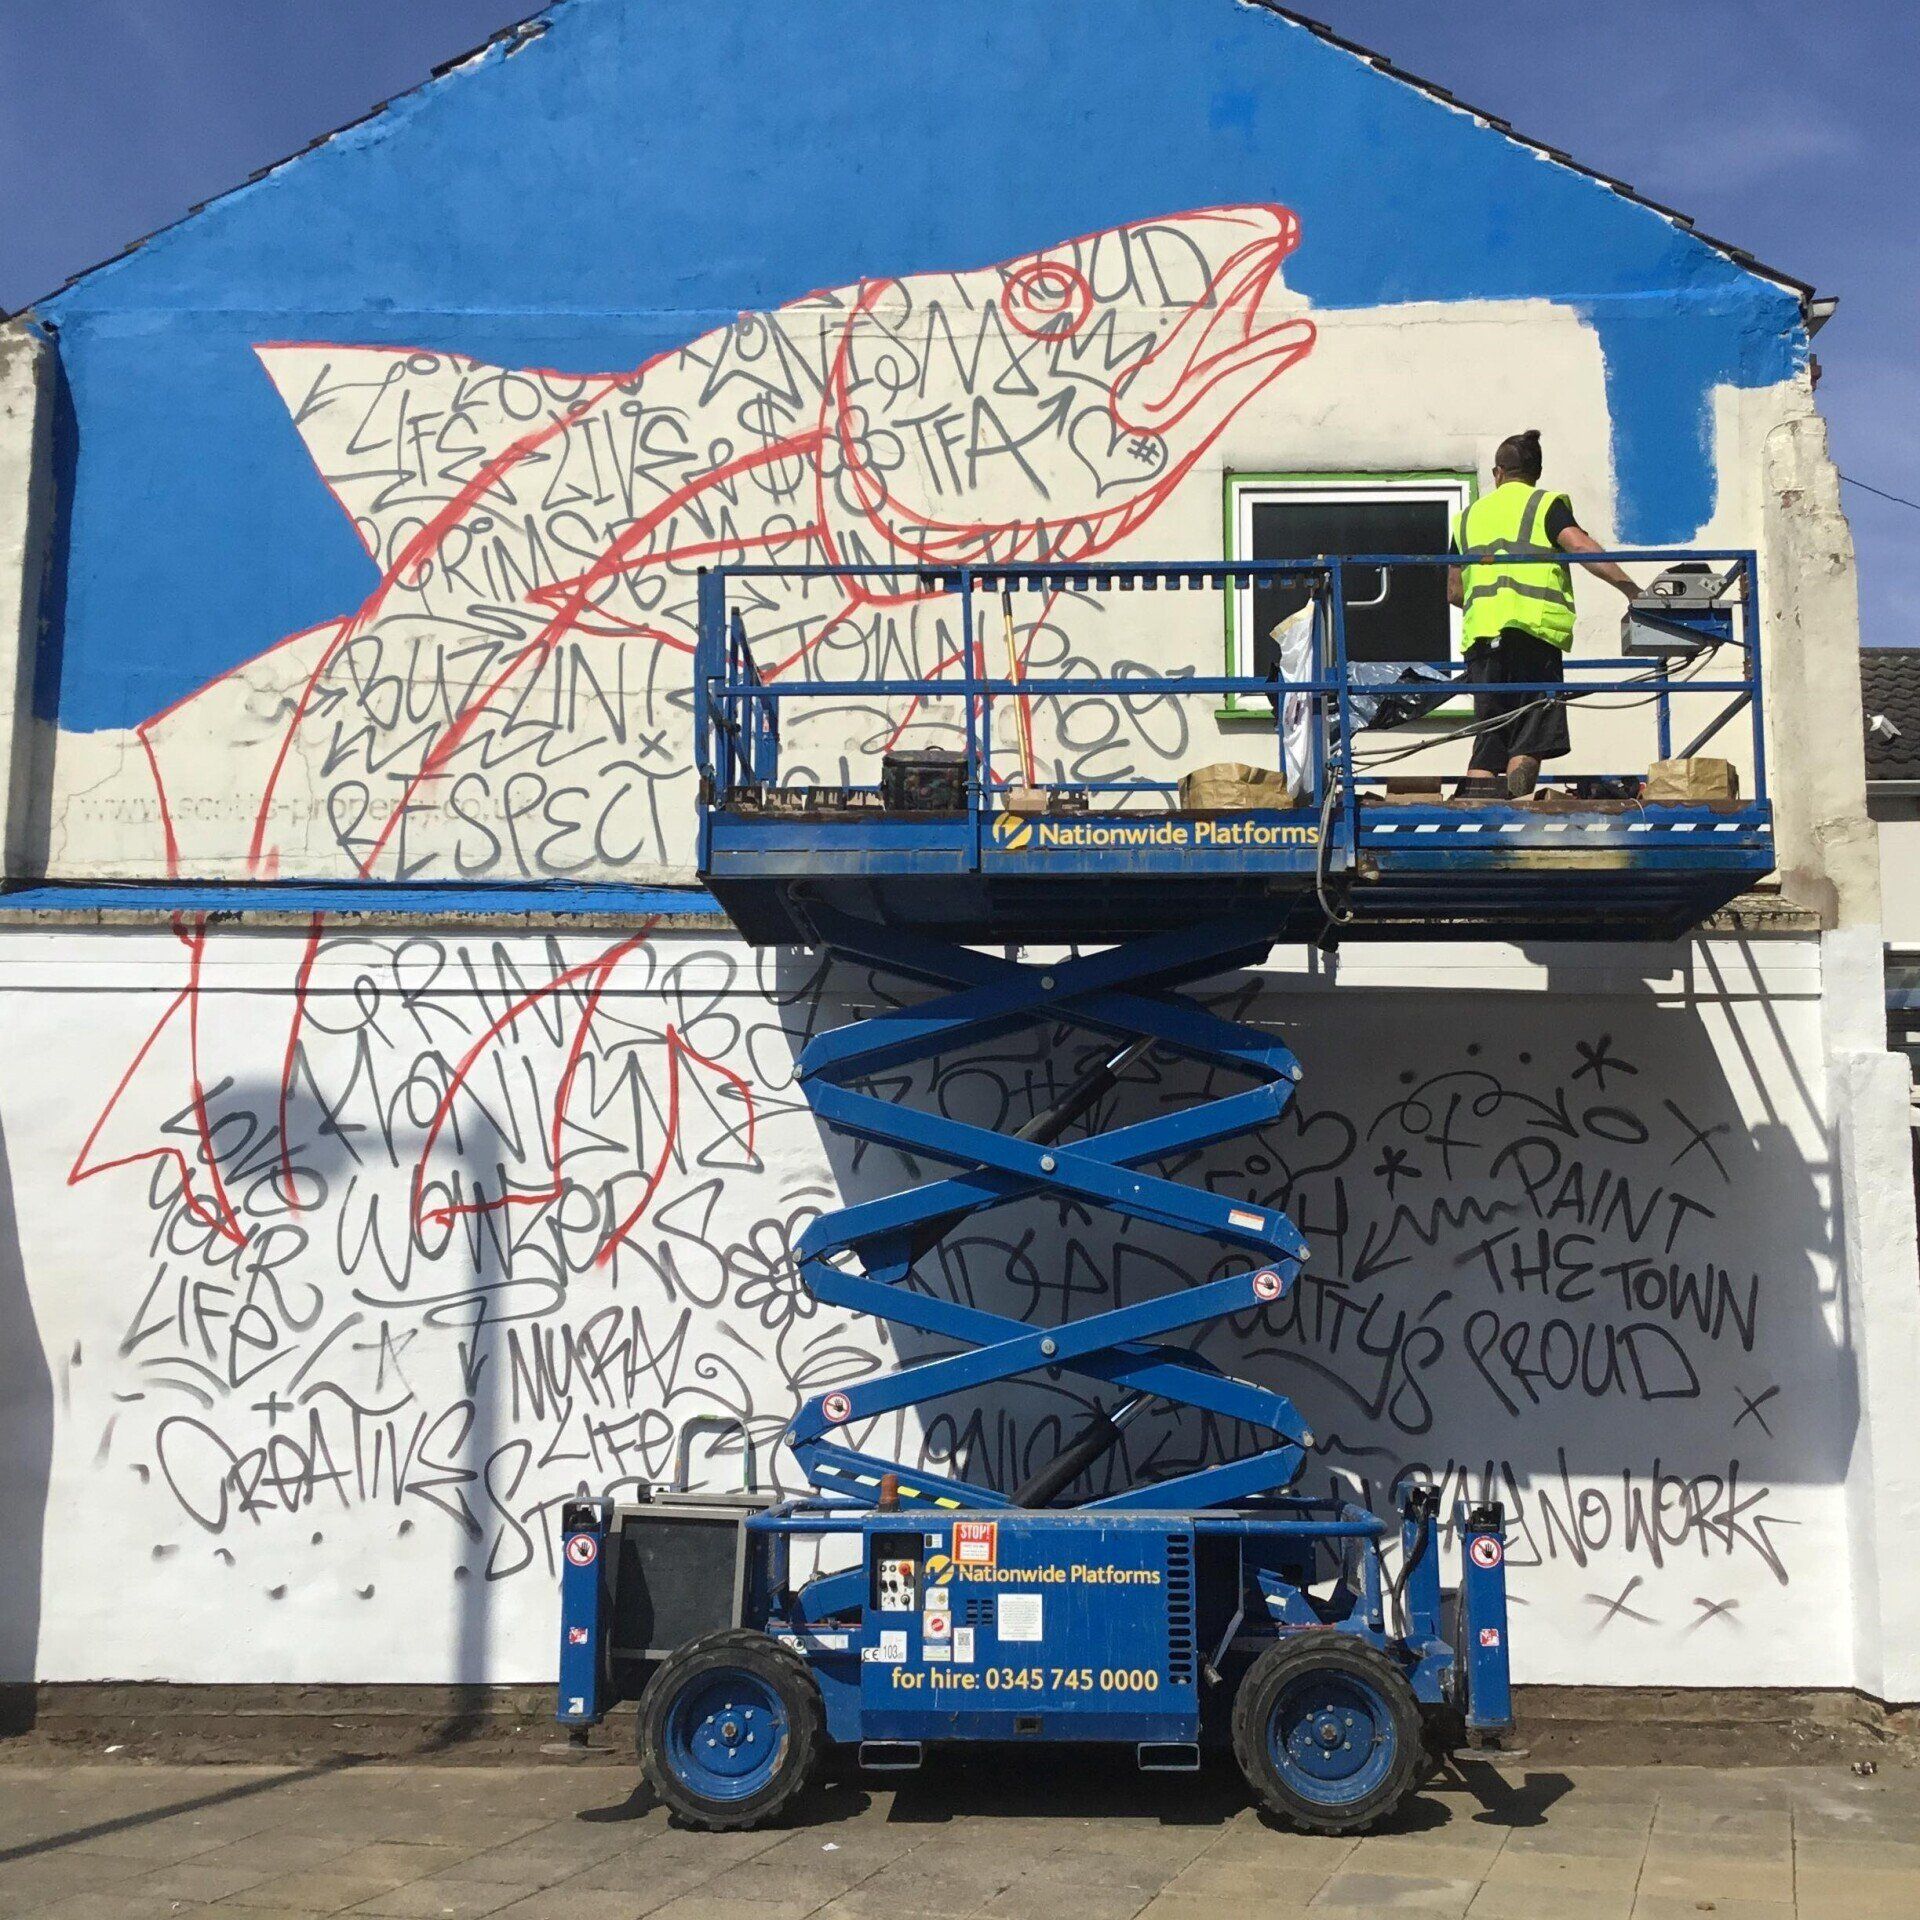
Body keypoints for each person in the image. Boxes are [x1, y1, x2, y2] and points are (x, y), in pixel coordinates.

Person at [1447, 430, 1640, 798]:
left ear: (1497, 473)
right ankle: (1516, 815)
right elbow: (1580, 546)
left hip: (1483, 642)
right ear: (1536, 472)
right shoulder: (1545, 505)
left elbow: (1454, 592)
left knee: (1488, 744)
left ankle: (1477, 825)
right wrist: (1632, 591)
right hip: (1533, 637)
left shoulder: (1467, 517)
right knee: (1528, 741)